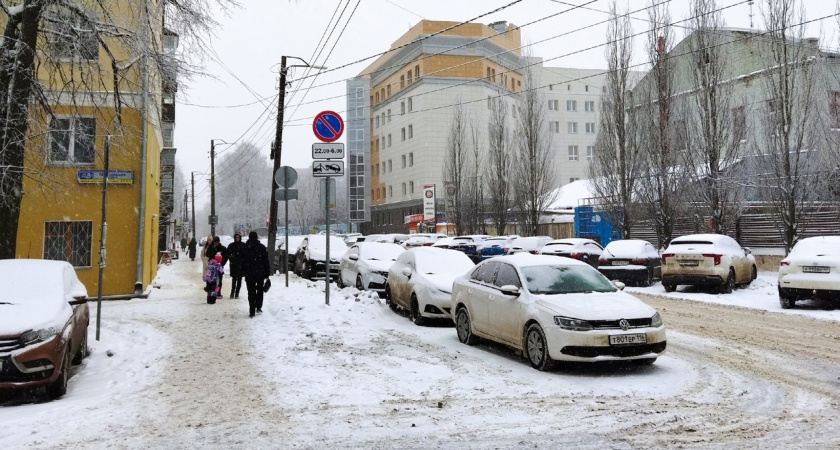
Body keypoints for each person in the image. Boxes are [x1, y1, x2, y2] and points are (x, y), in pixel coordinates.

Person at [241, 231, 270, 318]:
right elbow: (266, 261)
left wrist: (243, 271)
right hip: (259, 273)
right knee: (260, 290)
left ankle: (252, 309)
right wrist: (267, 272)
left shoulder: (245, 247)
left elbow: (242, 261)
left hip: (249, 273)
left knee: (251, 292)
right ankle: (258, 305)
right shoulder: (261, 247)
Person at [227, 233, 246, 299]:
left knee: (240, 280)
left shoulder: (243, 245)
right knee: (234, 279)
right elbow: (227, 254)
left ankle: (237, 293)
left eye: (238, 237)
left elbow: (246, 255)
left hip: (241, 265)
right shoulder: (232, 245)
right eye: (236, 237)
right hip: (234, 265)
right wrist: (231, 258)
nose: (237, 238)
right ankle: (232, 293)